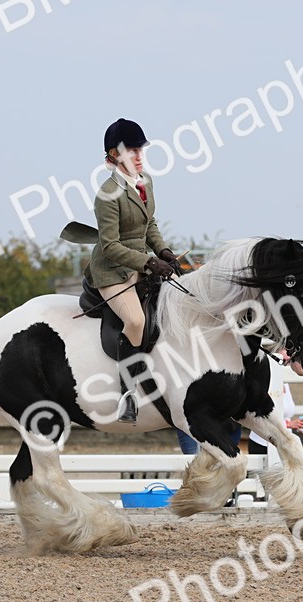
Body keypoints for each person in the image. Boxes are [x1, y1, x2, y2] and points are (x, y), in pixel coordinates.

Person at [88, 118, 179, 423]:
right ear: (115, 155)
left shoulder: (145, 181)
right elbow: (110, 246)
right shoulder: (107, 194)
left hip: (140, 262)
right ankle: (127, 393)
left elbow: (149, 224)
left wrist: (163, 251)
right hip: (111, 270)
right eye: (132, 150)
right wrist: (150, 263)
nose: (139, 156)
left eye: (140, 149)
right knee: (136, 320)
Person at [248, 384, 303, 455]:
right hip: (263, 442)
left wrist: (297, 424)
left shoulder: (285, 385)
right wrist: (287, 424)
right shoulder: (265, 384)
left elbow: (285, 415)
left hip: (284, 442)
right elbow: (258, 415)